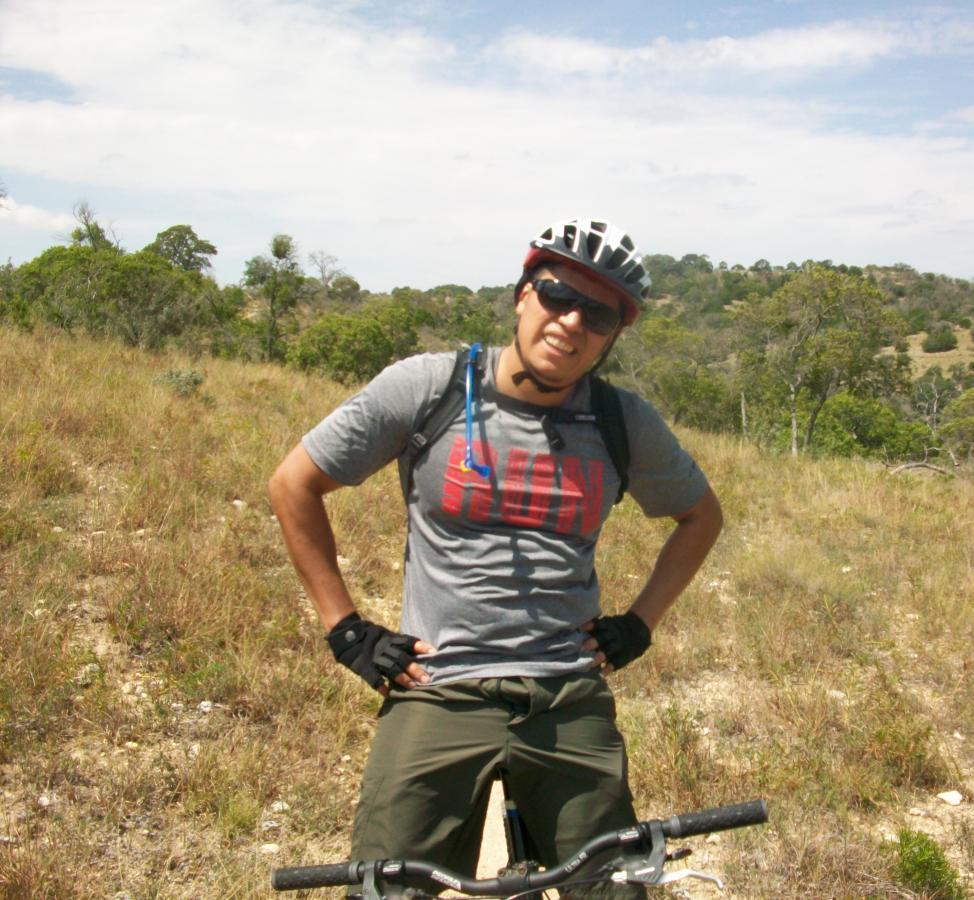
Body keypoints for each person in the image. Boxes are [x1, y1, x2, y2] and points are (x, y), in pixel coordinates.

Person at [268, 217, 723, 897]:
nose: (571, 322)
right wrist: (347, 632)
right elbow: (293, 484)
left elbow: (701, 517)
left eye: (597, 313)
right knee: (387, 886)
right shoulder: (431, 389)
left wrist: (640, 623)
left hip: (566, 691)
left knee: (612, 888)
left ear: (613, 334)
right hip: (440, 687)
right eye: (557, 295)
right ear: (521, 294)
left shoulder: (621, 422)